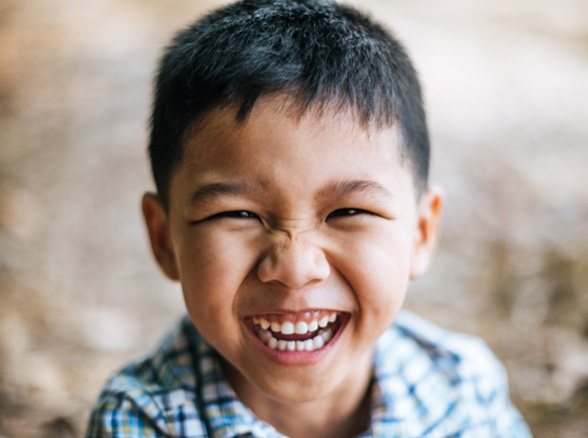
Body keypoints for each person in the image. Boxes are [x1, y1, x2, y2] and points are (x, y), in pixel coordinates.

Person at [87, 0, 531, 436]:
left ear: (421, 232)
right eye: (238, 213)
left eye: (348, 212)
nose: (295, 269)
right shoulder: (141, 420)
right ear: (164, 240)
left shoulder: (464, 392)